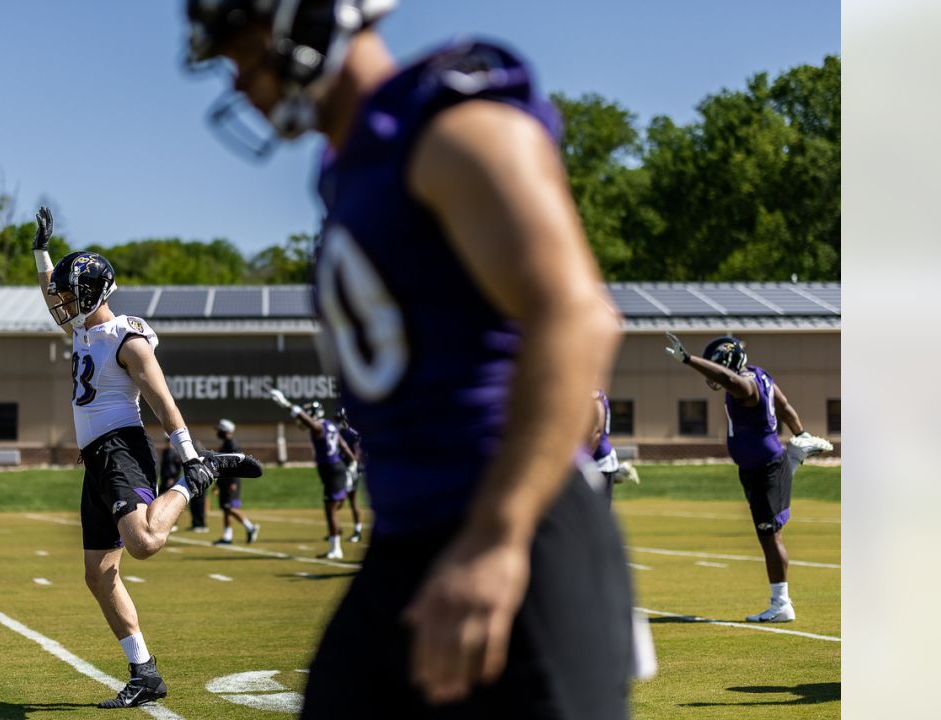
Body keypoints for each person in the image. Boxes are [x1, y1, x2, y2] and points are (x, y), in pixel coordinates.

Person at [185, 3, 636, 716]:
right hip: (410, 539)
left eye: (242, 54)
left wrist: (496, 539)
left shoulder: (454, 126)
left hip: (513, 526)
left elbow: (576, 317)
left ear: (304, 22)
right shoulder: (348, 168)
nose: (240, 84)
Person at [30, 207, 262, 708]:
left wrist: (187, 453)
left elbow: (161, 398)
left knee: (144, 543)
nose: (61, 302)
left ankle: (201, 476)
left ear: (93, 294)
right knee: (98, 573)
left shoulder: (126, 338)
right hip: (97, 458)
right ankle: (145, 672)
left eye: (71, 294)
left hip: (122, 449)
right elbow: (51, 289)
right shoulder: (81, 329)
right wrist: (40, 252)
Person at [664, 333, 833, 623]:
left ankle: (781, 604)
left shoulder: (747, 385)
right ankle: (797, 452)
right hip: (759, 466)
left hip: (764, 468)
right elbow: (784, 404)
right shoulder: (761, 375)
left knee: (770, 537)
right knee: (767, 534)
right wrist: (799, 431)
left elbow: (731, 382)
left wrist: (690, 360)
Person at [266, 391, 354, 559]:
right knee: (334, 505)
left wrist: (286, 403)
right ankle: (336, 537)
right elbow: (342, 444)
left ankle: (336, 548)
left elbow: (307, 421)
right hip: (337, 468)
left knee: (330, 509)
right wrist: (351, 460)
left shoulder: (319, 427)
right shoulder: (329, 424)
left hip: (331, 469)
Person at [210, 419, 260, 545]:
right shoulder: (226, 444)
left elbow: (236, 465)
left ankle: (250, 527)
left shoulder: (232, 445)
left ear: (225, 431)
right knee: (226, 509)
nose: (218, 433)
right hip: (225, 481)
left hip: (231, 482)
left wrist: (232, 482)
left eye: (219, 430)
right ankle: (227, 536)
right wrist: (217, 484)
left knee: (229, 507)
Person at [333, 407, 364, 542]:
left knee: (349, 499)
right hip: (343, 468)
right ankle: (335, 530)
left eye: (339, 419)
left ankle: (357, 531)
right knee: (339, 500)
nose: (337, 421)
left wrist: (354, 464)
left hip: (351, 469)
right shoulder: (340, 432)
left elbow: (357, 451)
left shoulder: (352, 433)